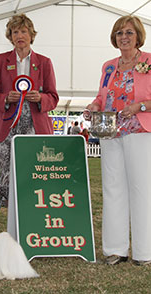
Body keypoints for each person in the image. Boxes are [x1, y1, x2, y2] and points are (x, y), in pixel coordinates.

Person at [85, 15, 151, 266]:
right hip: (110, 132)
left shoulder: (149, 62)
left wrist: (139, 106)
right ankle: (115, 250)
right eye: (119, 33)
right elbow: (102, 96)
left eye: (129, 33)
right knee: (113, 189)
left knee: (142, 190)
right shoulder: (108, 66)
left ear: (138, 36)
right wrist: (93, 106)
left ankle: (145, 252)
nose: (124, 37)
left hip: (140, 131)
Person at [0, 14, 59, 206]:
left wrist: (41, 98)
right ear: (10, 36)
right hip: (6, 128)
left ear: (31, 35)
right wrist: (6, 98)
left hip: (36, 128)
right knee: (3, 179)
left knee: (35, 174)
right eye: (15, 32)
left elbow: (54, 98)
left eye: (23, 31)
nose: (19, 35)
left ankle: (33, 207)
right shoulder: (1, 61)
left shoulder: (44, 62)